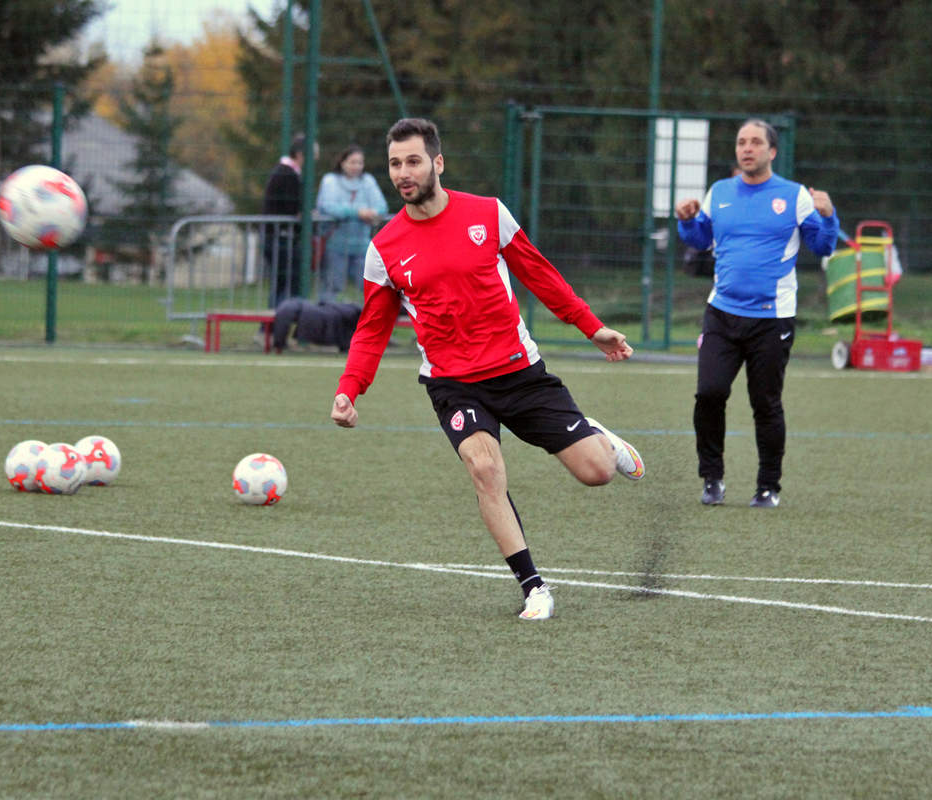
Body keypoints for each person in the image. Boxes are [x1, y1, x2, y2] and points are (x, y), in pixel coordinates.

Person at [329, 117, 645, 621]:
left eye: (413, 161)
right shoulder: (384, 247)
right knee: (485, 469)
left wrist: (592, 327)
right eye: (394, 164)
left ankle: (599, 439)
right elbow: (372, 328)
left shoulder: (487, 214)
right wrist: (351, 389)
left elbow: (539, 274)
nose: (403, 173)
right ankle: (533, 587)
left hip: (519, 372)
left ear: (437, 162)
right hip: (452, 384)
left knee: (597, 473)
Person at [675, 119, 838, 509]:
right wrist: (686, 220)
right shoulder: (720, 193)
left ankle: (768, 487)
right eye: (741, 142)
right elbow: (700, 240)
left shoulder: (795, 196)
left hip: (772, 319)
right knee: (709, 394)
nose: (746, 148)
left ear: (772, 151)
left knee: (765, 404)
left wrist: (829, 216)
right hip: (722, 314)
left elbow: (823, 245)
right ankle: (712, 478)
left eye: (755, 142)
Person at [315, 144, 388, 301]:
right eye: (352, 162)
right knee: (332, 286)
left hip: (361, 245)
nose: (356, 166)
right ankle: (326, 319)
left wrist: (373, 213)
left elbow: (381, 206)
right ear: (342, 162)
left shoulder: (368, 181)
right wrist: (357, 212)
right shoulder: (330, 181)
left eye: (359, 163)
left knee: (371, 287)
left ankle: (369, 321)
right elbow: (328, 206)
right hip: (335, 245)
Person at [262, 133, 317, 309]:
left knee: (281, 284)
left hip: (279, 237)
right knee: (288, 284)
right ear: (301, 155)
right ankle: (276, 326)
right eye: (312, 158)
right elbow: (293, 209)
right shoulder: (288, 174)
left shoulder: (284, 171)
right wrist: (307, 213)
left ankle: (270, 329)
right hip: (281, 238)